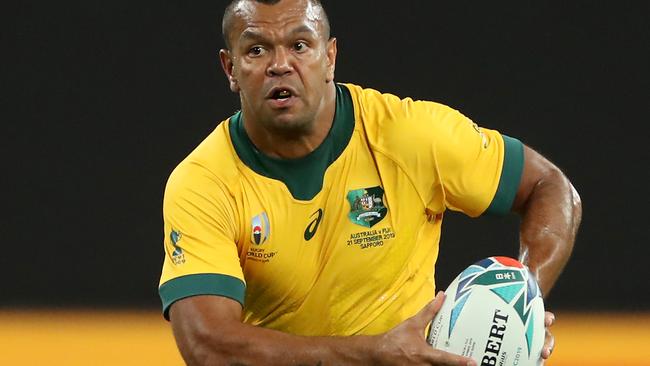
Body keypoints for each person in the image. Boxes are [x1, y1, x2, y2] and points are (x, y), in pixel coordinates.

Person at [158, 0, 582, 364]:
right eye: (256, 50)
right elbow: (207, 345)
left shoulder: (409, 136)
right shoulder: (204, 183)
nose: (281, 64)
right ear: (230, 68)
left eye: (300, 45)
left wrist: (523, 301)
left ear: (330, 57)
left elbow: (549, 185)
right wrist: (375, 353)